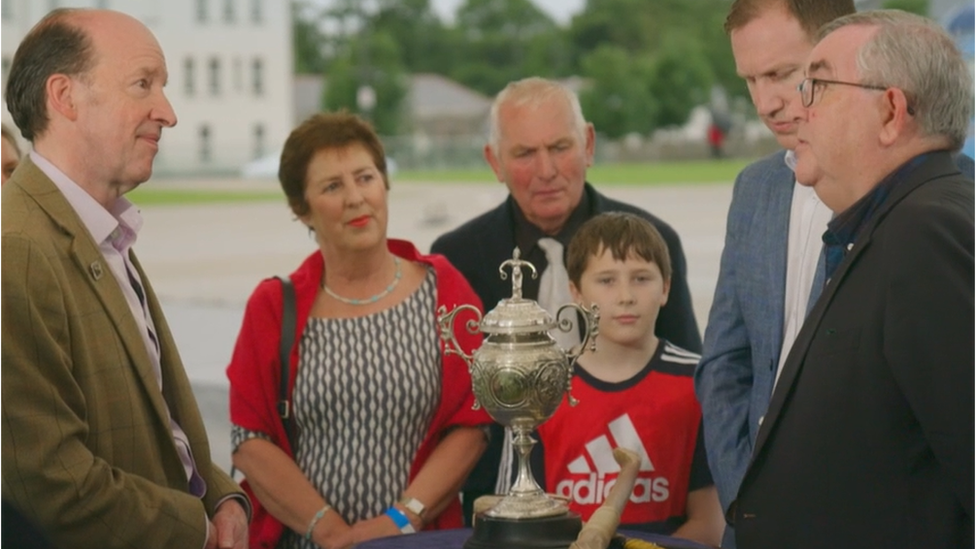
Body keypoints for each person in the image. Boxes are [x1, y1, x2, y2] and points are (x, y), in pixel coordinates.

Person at [0, 8, 248, 549]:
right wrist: (200, 532)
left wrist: (222, 496)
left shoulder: (99, 230)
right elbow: (50, 480)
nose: (169, 112)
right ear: (64, 97)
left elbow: (161, 421)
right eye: (143, 84)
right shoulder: (15, 249)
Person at [732, 11, 976, 548]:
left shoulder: (925, 233)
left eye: (815, 85)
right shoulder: (899, 224)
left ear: (890, 112)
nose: (797, 108)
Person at [431, 76, 701, 523]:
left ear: (589, 144)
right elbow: (455, 407)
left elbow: (688, 377)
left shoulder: (653, 245)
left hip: (634, 495)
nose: (546, 170)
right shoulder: (457, 257)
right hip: (501, 507)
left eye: (560, 147)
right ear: (494, 161)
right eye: (524, 153)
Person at [227, 111, 490, 549]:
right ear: (301, 208)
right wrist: (332, 533)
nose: (355, 197)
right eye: (332, 186)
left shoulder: (445, 289)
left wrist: (399, 521)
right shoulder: (274, 305)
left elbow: (473, 424)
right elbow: (250, 440)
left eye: (365, 177)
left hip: (419, 541)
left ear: (384, 184)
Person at [534, 212, 723, 547]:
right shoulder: (544, 385)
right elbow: (520, 517)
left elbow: (709, 524)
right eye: (607, 281)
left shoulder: (698, 382)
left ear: (665, 288)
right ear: (576, 292)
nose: (625, 296)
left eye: (641, 278)